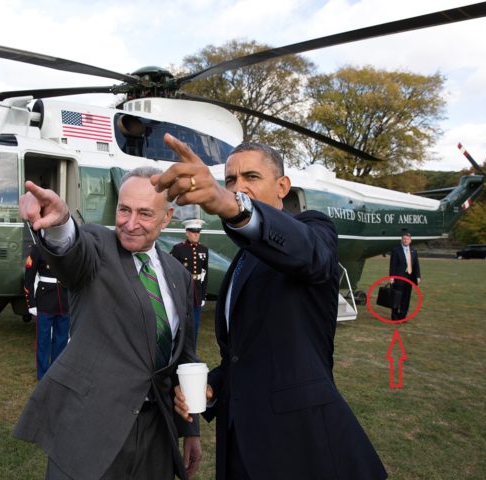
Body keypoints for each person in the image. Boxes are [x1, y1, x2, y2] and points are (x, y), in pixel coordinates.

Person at [156, 134, 387, 480]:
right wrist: (214, 386)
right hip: (240, 444)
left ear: (282, 187)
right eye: (230, 179)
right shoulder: (241, 262)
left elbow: (310, 254)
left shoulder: (314, 229)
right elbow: (244, 354)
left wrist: (232, 205)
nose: (239, 186)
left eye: (251, 177)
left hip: (298, 444)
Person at [13, 166, 202, 480]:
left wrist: (190, 428)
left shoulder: (178, 275)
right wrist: (60, 224)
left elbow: (186, 358)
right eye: (124, 210)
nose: (130, 224)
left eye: (144, 214)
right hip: (91, 430)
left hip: (156, 433)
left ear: (167, 218)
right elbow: (73, 253)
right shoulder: (98, 245)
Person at [24, 242, 70, 381]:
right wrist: (31, 303)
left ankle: (56, 372)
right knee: (43, 340)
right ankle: (43, 375)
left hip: (64, 299)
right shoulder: (38, 248)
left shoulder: (69, 247)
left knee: (61, 339)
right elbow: (29, 278)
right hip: (45, 300)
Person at [170, 218, 209, 345]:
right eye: (193, 232)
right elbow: (172, 272)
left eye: (198, 232)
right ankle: (177, 349)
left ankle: (191, 350)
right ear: (187, 233)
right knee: (180, 322)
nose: (196, 234)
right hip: (182, 292)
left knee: (195, 324)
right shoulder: (178, 249)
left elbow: (205, 273)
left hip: (197, 293)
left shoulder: (204, 250)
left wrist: (203, 295)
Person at [389, 231, 421, 320]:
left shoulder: (413, 251)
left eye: (407, 239)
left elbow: (416, 265)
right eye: (404, 239)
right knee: (397, 297)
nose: (406, 240)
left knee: (406, 298)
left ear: (410, 240)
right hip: (399, 277)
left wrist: (418, 276)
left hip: (410, 277)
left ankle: (402, 316)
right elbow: (392, 265)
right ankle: (394, 317)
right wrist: (391, 277)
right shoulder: (396, 250)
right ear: (402, 240)